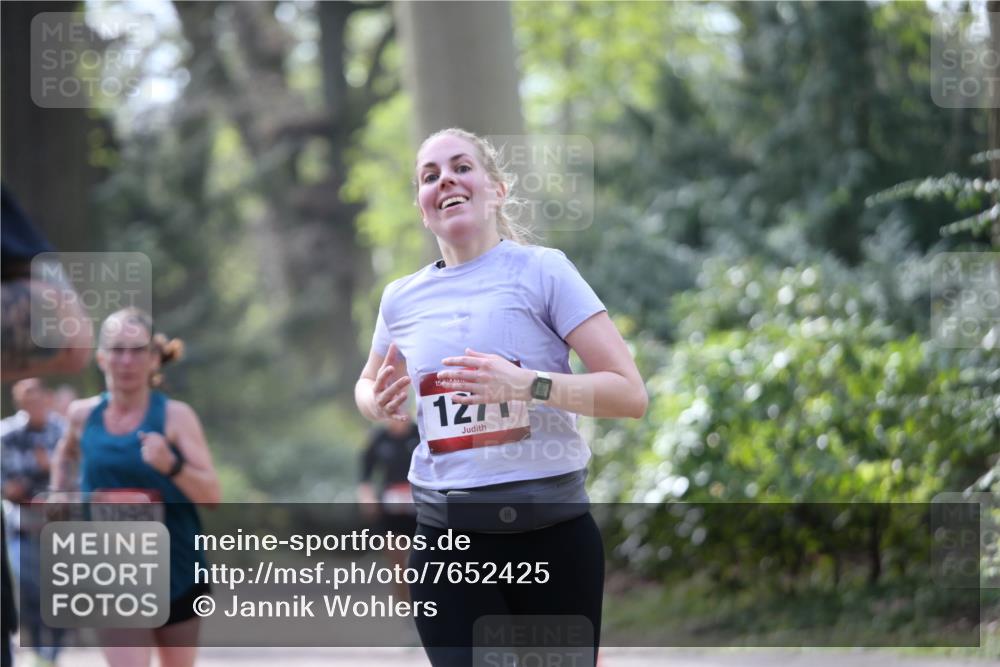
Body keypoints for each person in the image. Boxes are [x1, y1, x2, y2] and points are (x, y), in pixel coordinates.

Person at [354, 128, 647, 666]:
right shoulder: (401, 299)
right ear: (423, 207)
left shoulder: (543, 270)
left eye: (462, 167)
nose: (445, 179)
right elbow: (367, 383)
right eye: (429, 175)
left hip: (551, 535)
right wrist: (377, 401)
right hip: (447, 540)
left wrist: (530, 385)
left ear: (497, 190)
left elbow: (630, 393)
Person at [50, 308, 220, 667]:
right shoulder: (81, 416)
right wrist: (59, 491)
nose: (126, 360)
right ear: (101, 357)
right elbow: (63, 455)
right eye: (116, 349)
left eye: (137, 349)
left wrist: (170, 465)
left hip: (177, 565)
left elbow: (212, 496)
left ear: (154, 358)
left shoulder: (176, 417)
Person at [2, 379, 68, 666]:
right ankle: (36, 651)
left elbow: (75, 475)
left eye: (38, 399)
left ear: (48, 399)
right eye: (27, 401)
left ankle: (54, 653)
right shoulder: (8, 434)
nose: (34, 405)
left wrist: (49, 467)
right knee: (30, 592)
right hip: (23, 527)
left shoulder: (63, 431)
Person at [357, 416, 420, 600]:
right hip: (391, 508)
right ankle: (406, 607)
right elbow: (365, 475)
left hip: (420, 506)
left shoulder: (420, 433)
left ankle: (427, 604)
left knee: (424, 558)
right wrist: (367, 498)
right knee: (397, 562)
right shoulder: (378, 438)